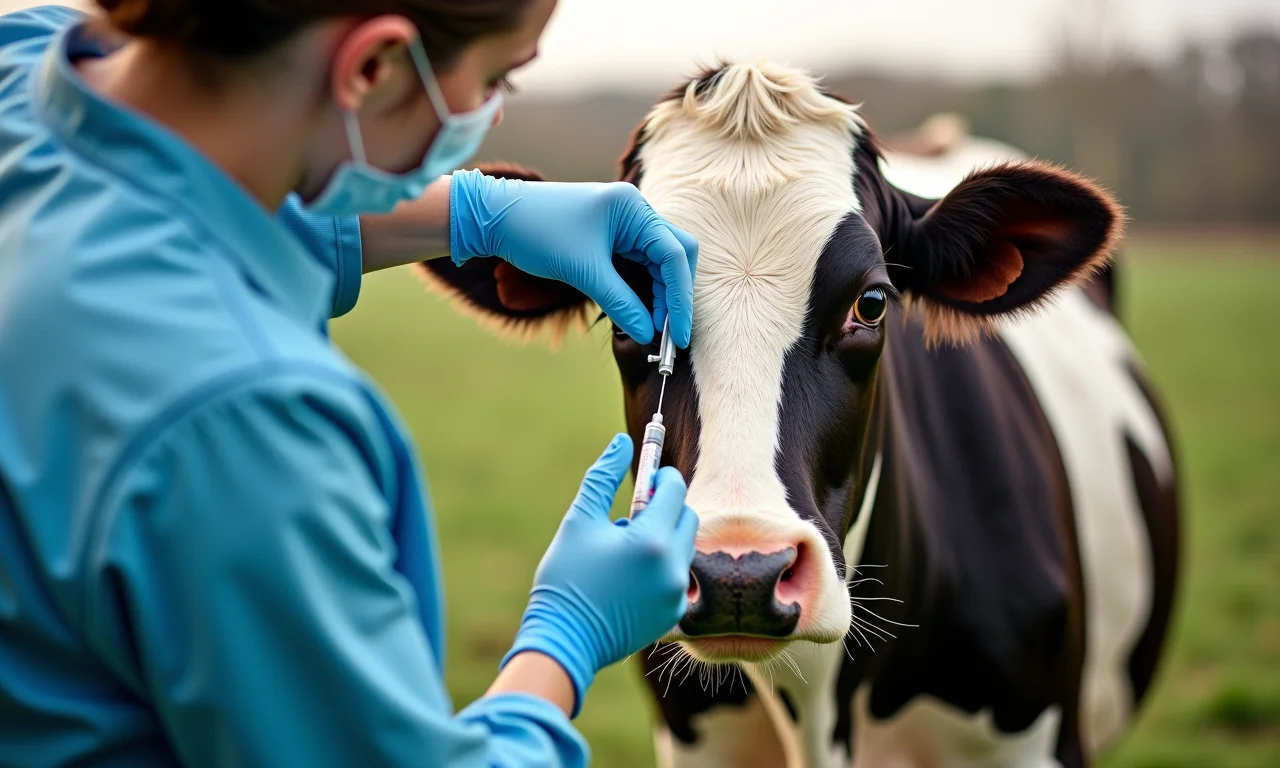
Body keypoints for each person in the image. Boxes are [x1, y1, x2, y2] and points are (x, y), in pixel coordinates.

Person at [0, 1, 700, 765]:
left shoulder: (26, 60)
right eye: (498, 78)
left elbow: (169, 194)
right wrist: (566, 639)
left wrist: (476, 213)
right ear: (374, 66)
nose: (492, 118)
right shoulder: (241, 425)